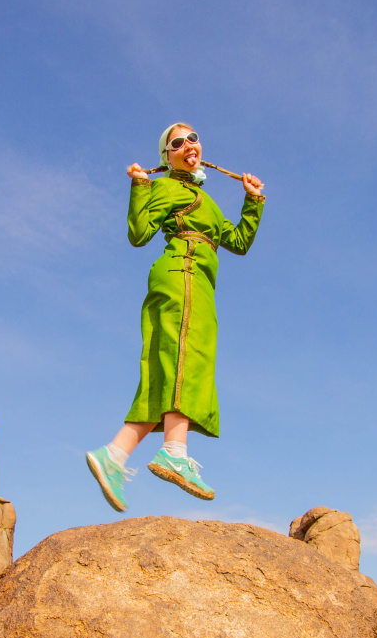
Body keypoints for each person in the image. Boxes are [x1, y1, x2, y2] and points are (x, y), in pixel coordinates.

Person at [86, 123, 265, 511]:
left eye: (194, 138)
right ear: (166, 155)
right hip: (181, 273)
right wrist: (139, 188)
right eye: (177, 142)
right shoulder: (167, 186)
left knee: (165, 368)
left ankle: (114, 454)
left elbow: (236, 242)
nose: (189, 145)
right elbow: (139, 233)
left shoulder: (203, 198)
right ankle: (174, 452)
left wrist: (252, 201)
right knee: (189, 357)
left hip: (196, 280)